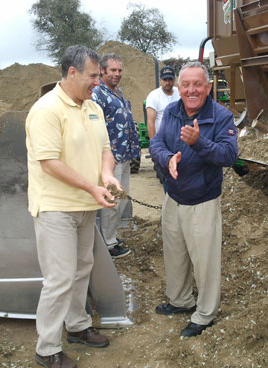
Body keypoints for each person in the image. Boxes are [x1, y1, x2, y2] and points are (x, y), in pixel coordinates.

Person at [26, 45, 120, 368]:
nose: (98, 81)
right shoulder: (47, 110)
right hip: (55, 208)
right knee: (59, 278)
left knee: (82, 270)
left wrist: (106, 176)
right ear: (72, 73)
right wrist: (92, 187)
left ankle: (77, 326)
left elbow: (106, 148)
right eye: (93, 76)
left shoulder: (92, 107)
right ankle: (47, 347)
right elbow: (49, 163)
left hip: (85, 205)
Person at [149, 61, 238, 337]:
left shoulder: (221, 116)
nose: (191, 90)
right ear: (178, 87)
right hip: (173, 198)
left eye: (197, 84)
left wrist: (199, 142)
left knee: (204, 261)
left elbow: (229, 155)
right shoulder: (173, 111)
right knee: (174, 255)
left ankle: (205, 314)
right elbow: (156, 143)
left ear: (208, 87)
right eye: (185, 84)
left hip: (202, 201)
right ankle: (181, 301)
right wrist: (167, 159)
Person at [92, 53, 140, 259]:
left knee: (121, 198)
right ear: (102, 70)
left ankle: (110, 235)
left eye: (119, 70)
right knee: (113, 200)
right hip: (110, 157)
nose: (117, 74)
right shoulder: (97, 94)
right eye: (113, 70)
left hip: (125, 154)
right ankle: (108, 244)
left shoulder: (117, 91)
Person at [145, 66, 180, 139]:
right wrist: (154, 144)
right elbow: (151, 123)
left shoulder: (180, 94)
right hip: (162, 139)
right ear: (160, 80)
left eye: (170, 79)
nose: (168, 82)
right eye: (165, 79)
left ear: (174, 80)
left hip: (179, 139)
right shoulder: (153, 96)